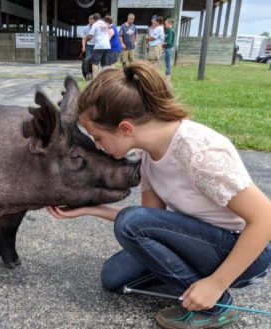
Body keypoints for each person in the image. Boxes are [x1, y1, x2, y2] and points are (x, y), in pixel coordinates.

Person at [46, 62, 271, 329]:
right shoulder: (148, 155)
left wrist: (216, 283)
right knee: (114, 278)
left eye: (97, 137)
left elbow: (265, 218)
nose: (99, 146)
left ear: (125, 128)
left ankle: (216, 304)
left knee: (130, 225)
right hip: (200, 243)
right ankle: (193, 278)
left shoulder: (199, 152)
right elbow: (150, 222)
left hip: (244, 251)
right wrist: (88, 208)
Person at [86, 13, 111, 79]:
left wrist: (86, 40)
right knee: (105, 64)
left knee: (94, 63)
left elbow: (90, 36)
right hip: (107, 45)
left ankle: (95, 79)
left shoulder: (95, 24)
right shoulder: (105, 24)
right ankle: (105, 79)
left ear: (94, 19)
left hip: (99, 46)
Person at [81, 15, 95, 80]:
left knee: (94, 61)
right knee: (87, 60)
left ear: (94, 20)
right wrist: (83, 47)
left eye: (92, 19)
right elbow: (83, 38)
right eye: (90, 19)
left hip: (96, 46)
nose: (91, 20)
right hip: (88, 46)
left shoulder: (96, 27)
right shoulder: (85, 28)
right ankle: (86, 74)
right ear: (88, 20)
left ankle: (93, 74)